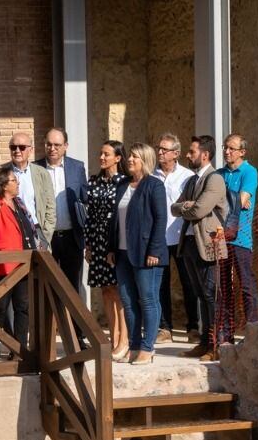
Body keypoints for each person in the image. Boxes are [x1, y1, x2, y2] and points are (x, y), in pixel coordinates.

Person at [106, 143, 168, 365]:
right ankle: (133, 345)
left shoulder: (154, 185)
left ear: (145, 160)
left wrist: (154, 251)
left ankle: (147, 347)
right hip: (122, 254)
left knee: (148, 299)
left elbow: (161, 220)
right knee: (128, 301)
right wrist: (111, 248)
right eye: (129, 156)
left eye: (134, 157)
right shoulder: (123, 184)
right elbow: (115, 221)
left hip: (146, 254)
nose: (129, 159)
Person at [172, 135, 228, 362]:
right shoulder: (191, 181)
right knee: (200, 294)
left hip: (207, 244)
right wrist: (187, 205)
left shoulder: (214, 180)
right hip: (189, 245)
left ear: (205, 155)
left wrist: (188, 206)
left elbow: (198, 211)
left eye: (192, 151)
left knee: (211, 295)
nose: (188, 155)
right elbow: (175, 207)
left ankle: (215, 344)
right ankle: (204, 342)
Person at [0, 166, 38, 361]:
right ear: (3, 185)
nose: (18, 182)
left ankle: (18, 349)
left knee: (22, 307)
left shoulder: (18, 203)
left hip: (20, 263)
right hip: (1, 263)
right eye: (14, 180)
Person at [153, 132, 200, 344]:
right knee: (161, 284)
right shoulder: (151, 176)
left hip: (182, 237)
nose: (160, 153)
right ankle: (165, 327)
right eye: (159, 149)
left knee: (188, 283)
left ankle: (192, 327)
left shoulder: (188, 177)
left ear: (176, 153)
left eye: (165, 149)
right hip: (159, 238)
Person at [84, 141, 130, 359]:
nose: (101, 157)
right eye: (100, 153)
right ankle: (113, 338)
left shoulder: (125, 182)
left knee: (119, 291)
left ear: (118, 158)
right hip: (98, 241)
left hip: (116, 242)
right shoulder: (94, 181)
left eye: (106, 154)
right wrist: (89, 244)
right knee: (105, 290)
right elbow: (90, 215)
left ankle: (125, 340)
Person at [35, 128, 88, 291]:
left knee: (72, 288)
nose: (52, 148)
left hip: (72, 237)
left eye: (57, 145)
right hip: (45, 238)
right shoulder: (35, 168)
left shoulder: (77, 167)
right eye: (49, 144)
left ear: (66, 146)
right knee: (45, 287)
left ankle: (72, 318)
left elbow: (85, 198)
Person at [219, 134, 258, 333]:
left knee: (246, 284)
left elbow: (243, 200)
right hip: (219, 238)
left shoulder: (249, 172)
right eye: (225, 147)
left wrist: (230, 200)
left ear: (242, 152)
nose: (226, 152)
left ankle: (253, 330)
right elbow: (233, 203)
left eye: (231, 149)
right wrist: (234, 201)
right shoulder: (219, 174)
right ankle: (225, 335)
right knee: (223, 287)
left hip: (240, 238)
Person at [8, 131, 55, 247]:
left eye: (22, 147)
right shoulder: (1, 173)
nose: (17, 151)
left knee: (39, 265)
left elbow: (50, 206)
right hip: (12, 231)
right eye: (13, 147)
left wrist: (46, 234)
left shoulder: (41, 173)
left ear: (31, 150)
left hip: (37, 229)